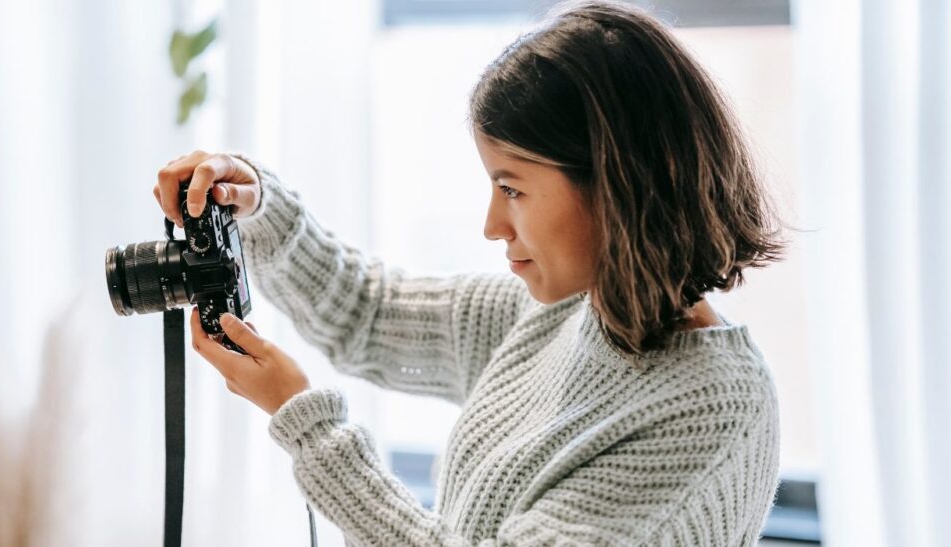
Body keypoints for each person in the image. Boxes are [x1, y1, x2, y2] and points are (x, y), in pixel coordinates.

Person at [152, 1, 790, 544]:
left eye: (512, 188)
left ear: (616, 184)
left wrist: (305, 422)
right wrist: (258, 201)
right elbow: (368, 314)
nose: (493, 225)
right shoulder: (570, 312)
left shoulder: (709, 411)